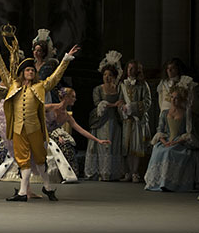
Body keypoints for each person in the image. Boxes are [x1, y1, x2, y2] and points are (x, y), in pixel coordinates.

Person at [0, 33, 80, 202]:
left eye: (32, 70)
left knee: (40, 157)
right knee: (23, 160)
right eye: (27, 70)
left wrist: (66, 59)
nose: (30, 72)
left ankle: (48, 187)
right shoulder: (14, 85)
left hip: (35, 128)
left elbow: (55, 78)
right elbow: (3, 72)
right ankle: (23, 193)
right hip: (18, 129)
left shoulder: (40, 86)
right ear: (22, 72)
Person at [44, 87, 111, 183]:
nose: (75, 99)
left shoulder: (67, 116)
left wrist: (98, 140)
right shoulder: (50, 107)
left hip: (50, 136)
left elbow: (81, 130)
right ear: (66, 97)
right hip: (39, 133)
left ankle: (67, 175)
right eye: (72, 97)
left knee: (66, 146)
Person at [144, 86, 199, 192]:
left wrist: (176, 141)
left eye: (177, 98)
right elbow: (160, 130)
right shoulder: (165, 113)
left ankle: (169, 183)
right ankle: (157, 182)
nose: (174, 100)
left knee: (169, 152)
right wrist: (165, 142)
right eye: (172, 97)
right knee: (158, 150)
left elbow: (188, 132)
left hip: (180, 141)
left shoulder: (186, 113)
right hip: (167, 140)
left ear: (181, 99)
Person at [84, 51, 125, 181]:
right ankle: (100, 172)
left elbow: (122, 102)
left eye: (110, 75)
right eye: (105, 75)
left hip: (114, 120)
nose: (107, 77)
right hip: (101, 120)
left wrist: (120, 105)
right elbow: (98, 104)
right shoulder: (98, 89)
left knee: (113, 144)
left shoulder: (119, 89)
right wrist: (113, 105)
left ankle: (110, 172)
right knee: (102, 145)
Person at [119, 59, 152, 183]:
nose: (131, 71)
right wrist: (122, 108)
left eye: (134, 68)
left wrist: (133, 107)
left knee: (136, 147)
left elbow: (147, 102)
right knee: (127, 147)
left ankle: (135, 172)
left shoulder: (143, 85)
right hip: (127, 120)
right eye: (129, 68)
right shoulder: (122, 84)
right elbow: (120, 100)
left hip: (138, 120)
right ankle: (128, 172)